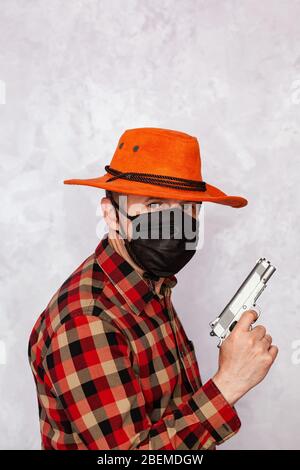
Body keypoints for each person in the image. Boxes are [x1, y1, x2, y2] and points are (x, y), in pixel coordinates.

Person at [28, 127, 278, 450]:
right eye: (154, 205)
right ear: (111, 215)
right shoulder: (86, 321)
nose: (172, 223)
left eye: (185, 207)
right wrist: (228, 383)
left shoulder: (151, 284)